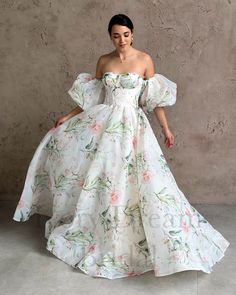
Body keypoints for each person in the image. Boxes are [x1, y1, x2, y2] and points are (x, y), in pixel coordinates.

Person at [13, 14, 230, 280]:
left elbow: (154, 101)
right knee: (106, 178)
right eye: (116, 35)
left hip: (134, 128)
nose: (122, 40)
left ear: (132, 34)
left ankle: (150, 237)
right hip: (106, 125)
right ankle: (106, 230)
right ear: (110, 36)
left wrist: (166, 128)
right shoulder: (104, 61)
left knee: (143, 180)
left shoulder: (144, 60)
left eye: (126, 35)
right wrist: (68, 116)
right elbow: (91, 98)